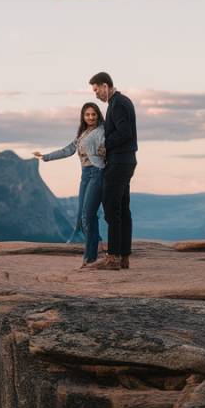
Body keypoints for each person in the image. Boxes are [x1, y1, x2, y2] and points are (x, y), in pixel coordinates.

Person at [33, 102, 107, 267]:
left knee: (88, 216)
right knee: (83, 216)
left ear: (98, 115)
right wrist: (45, 157)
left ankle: (89, 258)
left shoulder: (102, 131)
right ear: (83, 116)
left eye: (93, 114)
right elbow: (68, 150)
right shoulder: (82, 133)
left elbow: (107, 148)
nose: (90, 117)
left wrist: (103, 152)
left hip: (97, 173)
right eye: (87, 115)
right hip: (85, 175)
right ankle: (95, 251)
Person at [87, 71, 137, 271]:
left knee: (111, 209)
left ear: (105, 86)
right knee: (123, 209)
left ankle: (113, 257)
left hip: (118, 162)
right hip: (127, 161)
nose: (96, 94)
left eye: (96, 89)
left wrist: (105, 145)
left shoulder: (117, 104)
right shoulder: (122, 102)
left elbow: (125, 133)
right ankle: (124, 256)